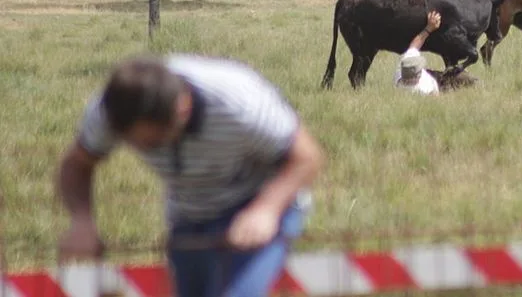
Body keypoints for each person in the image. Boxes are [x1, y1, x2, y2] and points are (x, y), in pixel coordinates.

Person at [56, 53, 324, 297]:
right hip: (188, 218)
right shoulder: (111, 110)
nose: (145, 149)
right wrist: (81, 220)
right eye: (134, 142)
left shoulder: (239, 102)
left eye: (153, 142)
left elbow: (307, 157)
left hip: (258, 206)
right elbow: (77, 164)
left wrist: (265, 209)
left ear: (181, 111)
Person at [394, 10, 442, 95]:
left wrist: (429, 28)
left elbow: (413, 46)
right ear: (418, 75)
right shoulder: (423, 89)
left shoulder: (402, 70)